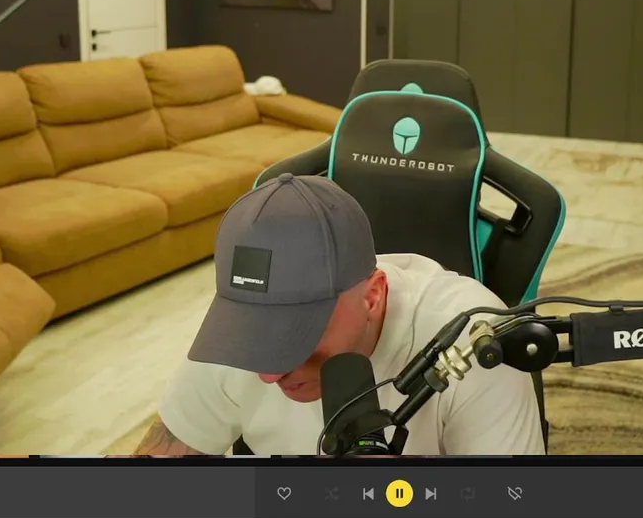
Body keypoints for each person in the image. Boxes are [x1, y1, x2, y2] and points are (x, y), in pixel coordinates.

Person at [135, 174, 546, 456]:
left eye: (295, 335)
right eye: (254, 333)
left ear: (373, 296)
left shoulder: (473, 343)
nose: (268, 374)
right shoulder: (233, 340)